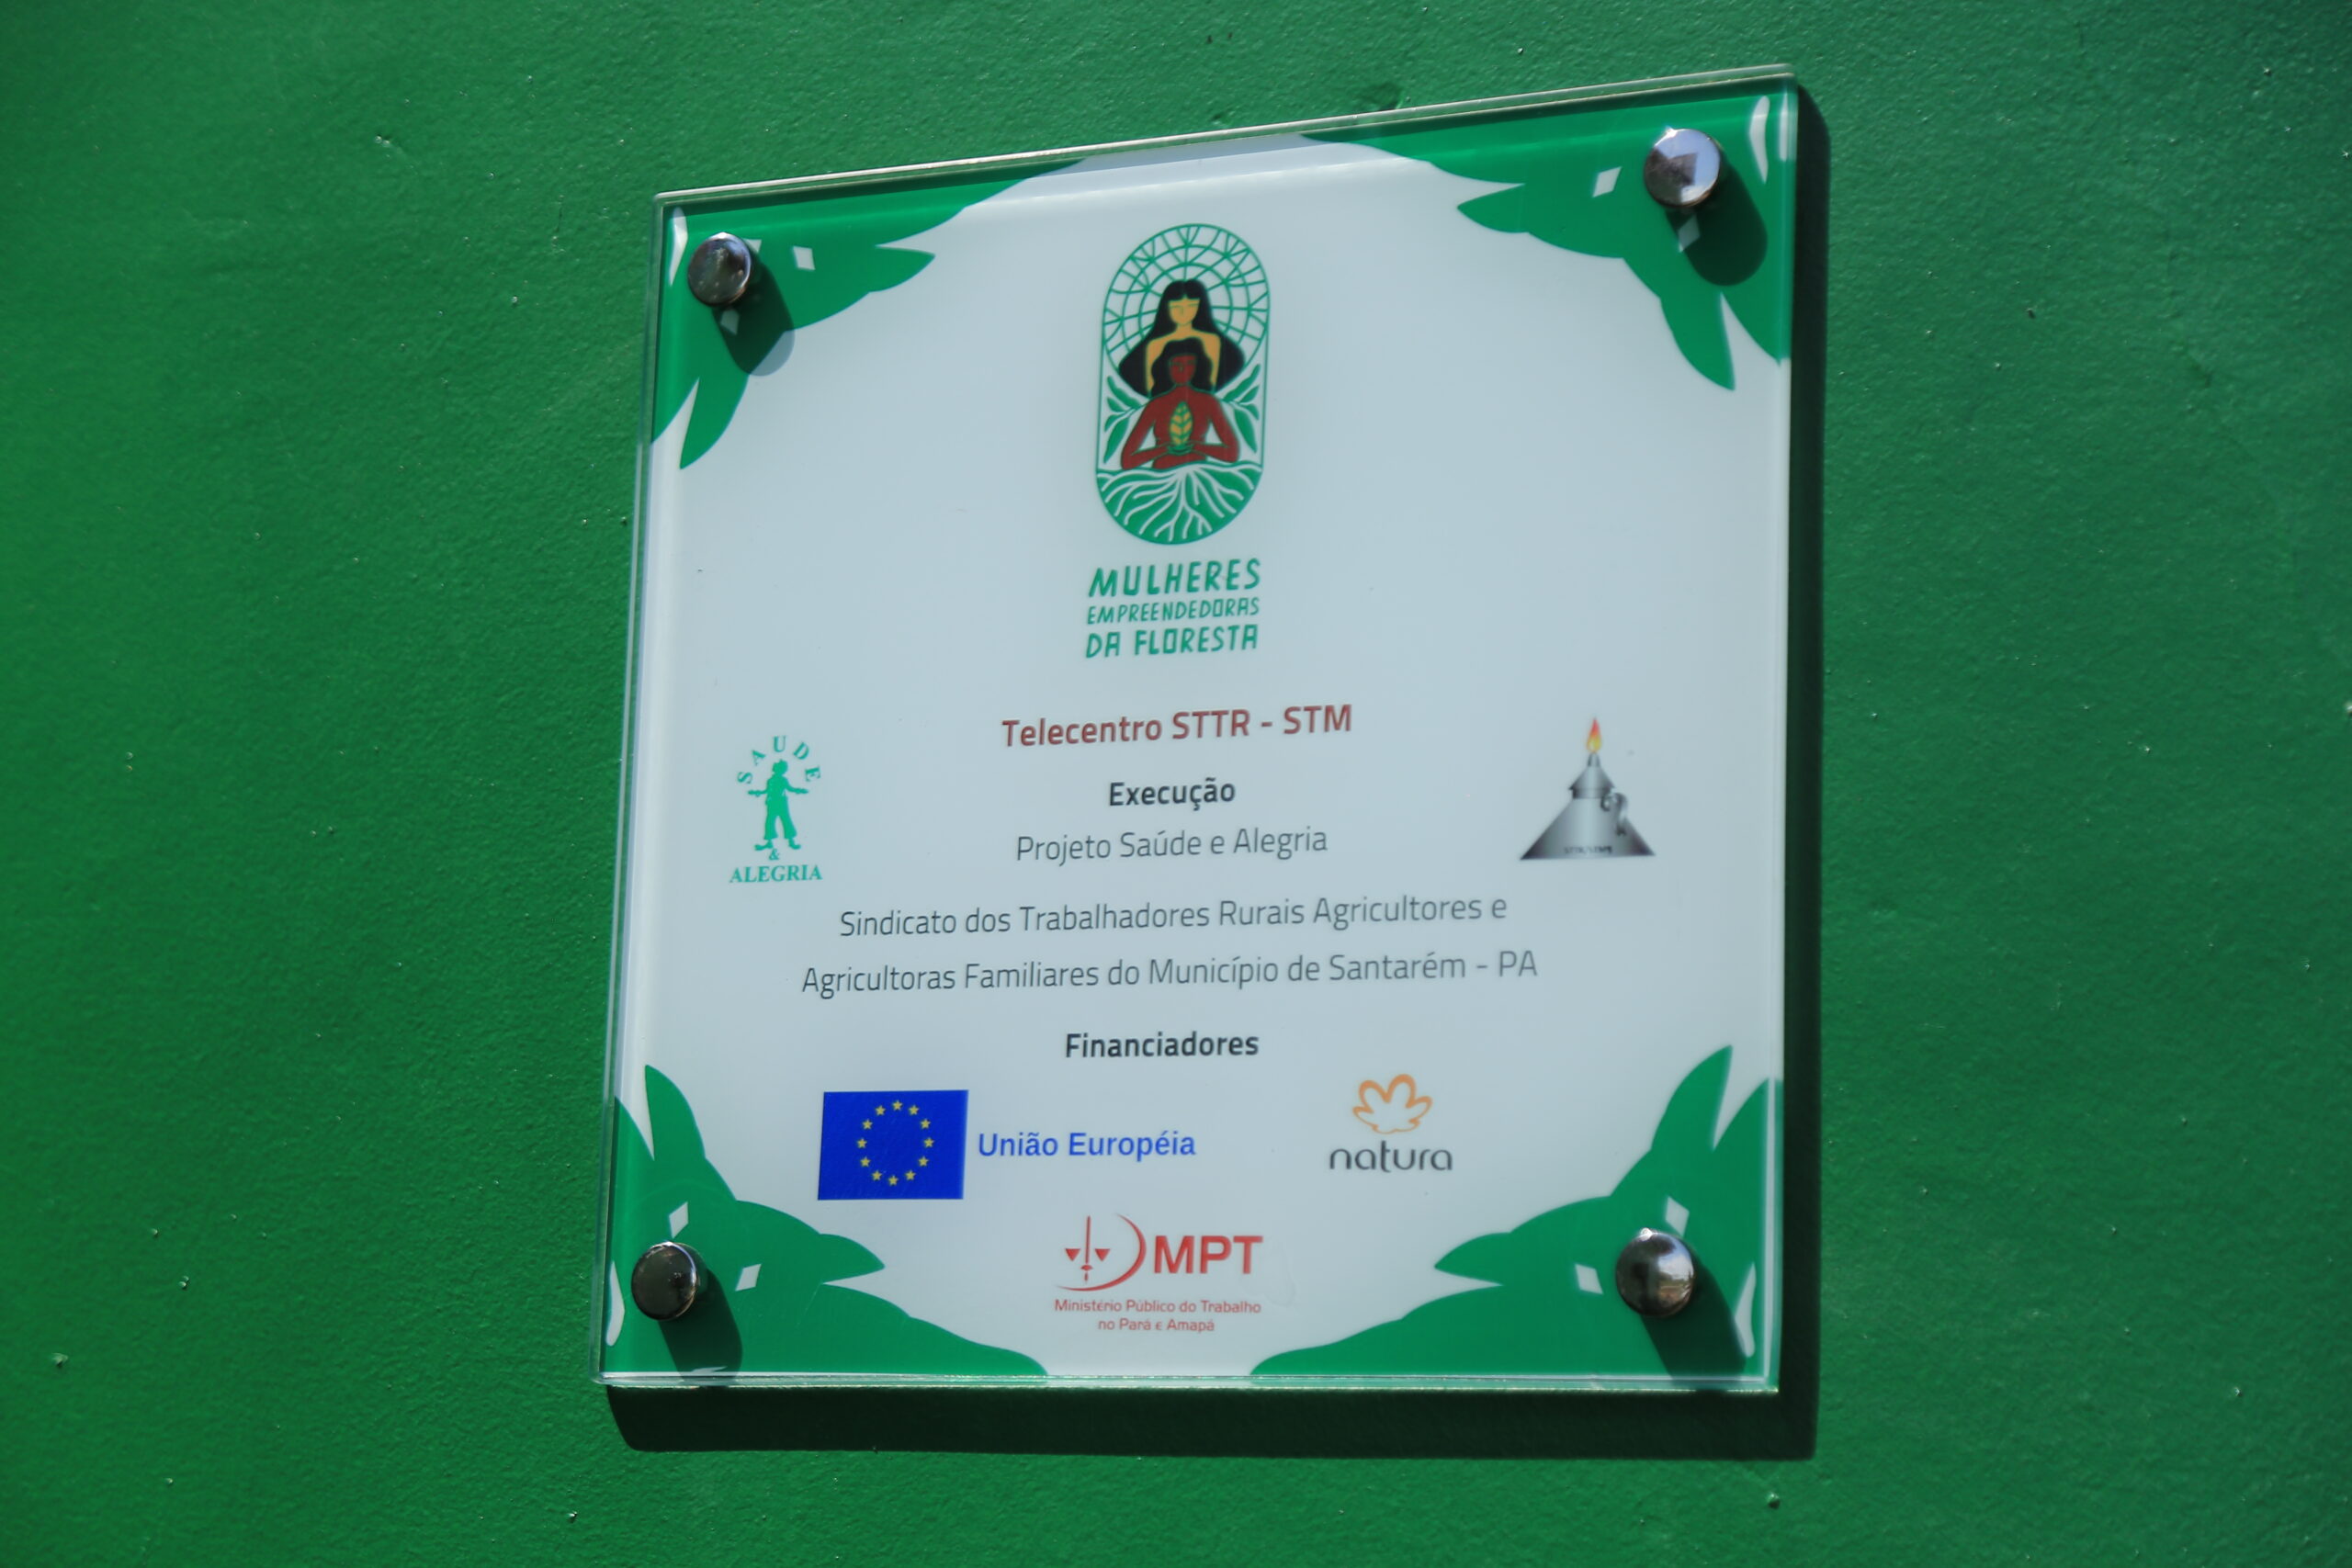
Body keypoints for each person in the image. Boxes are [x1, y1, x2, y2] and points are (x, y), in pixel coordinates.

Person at [1115, 279, 1245, 397]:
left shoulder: (1211, 340)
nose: (1184, 312)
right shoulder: (1155, 344)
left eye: (1191, 306)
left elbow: (1212, 384)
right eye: (1176, 307)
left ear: (1200, 307)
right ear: (1166, 307)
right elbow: (1150, 388)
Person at [1117, 348, 1238, 470]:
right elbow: (1127, 461)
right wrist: (1163, 450)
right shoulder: (1156, 404)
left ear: (1197, 367)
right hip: (1160, 476)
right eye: (1176, 365)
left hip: (1196, 474)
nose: (1182, 369)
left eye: (1189, 364)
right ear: (1167, 368)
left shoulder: (1209, 402)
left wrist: (1196, 447)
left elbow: (1232, 454)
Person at [751, 761, 808, 855]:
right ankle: (769, 842)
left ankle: (791, 841)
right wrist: (757, 792)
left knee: (785, 820)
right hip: (772, 803)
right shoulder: (770, 780)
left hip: (781, 802)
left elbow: (790, 788)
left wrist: (799, 790)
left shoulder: (783, 780)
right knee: (770, 821)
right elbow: (767, 791)